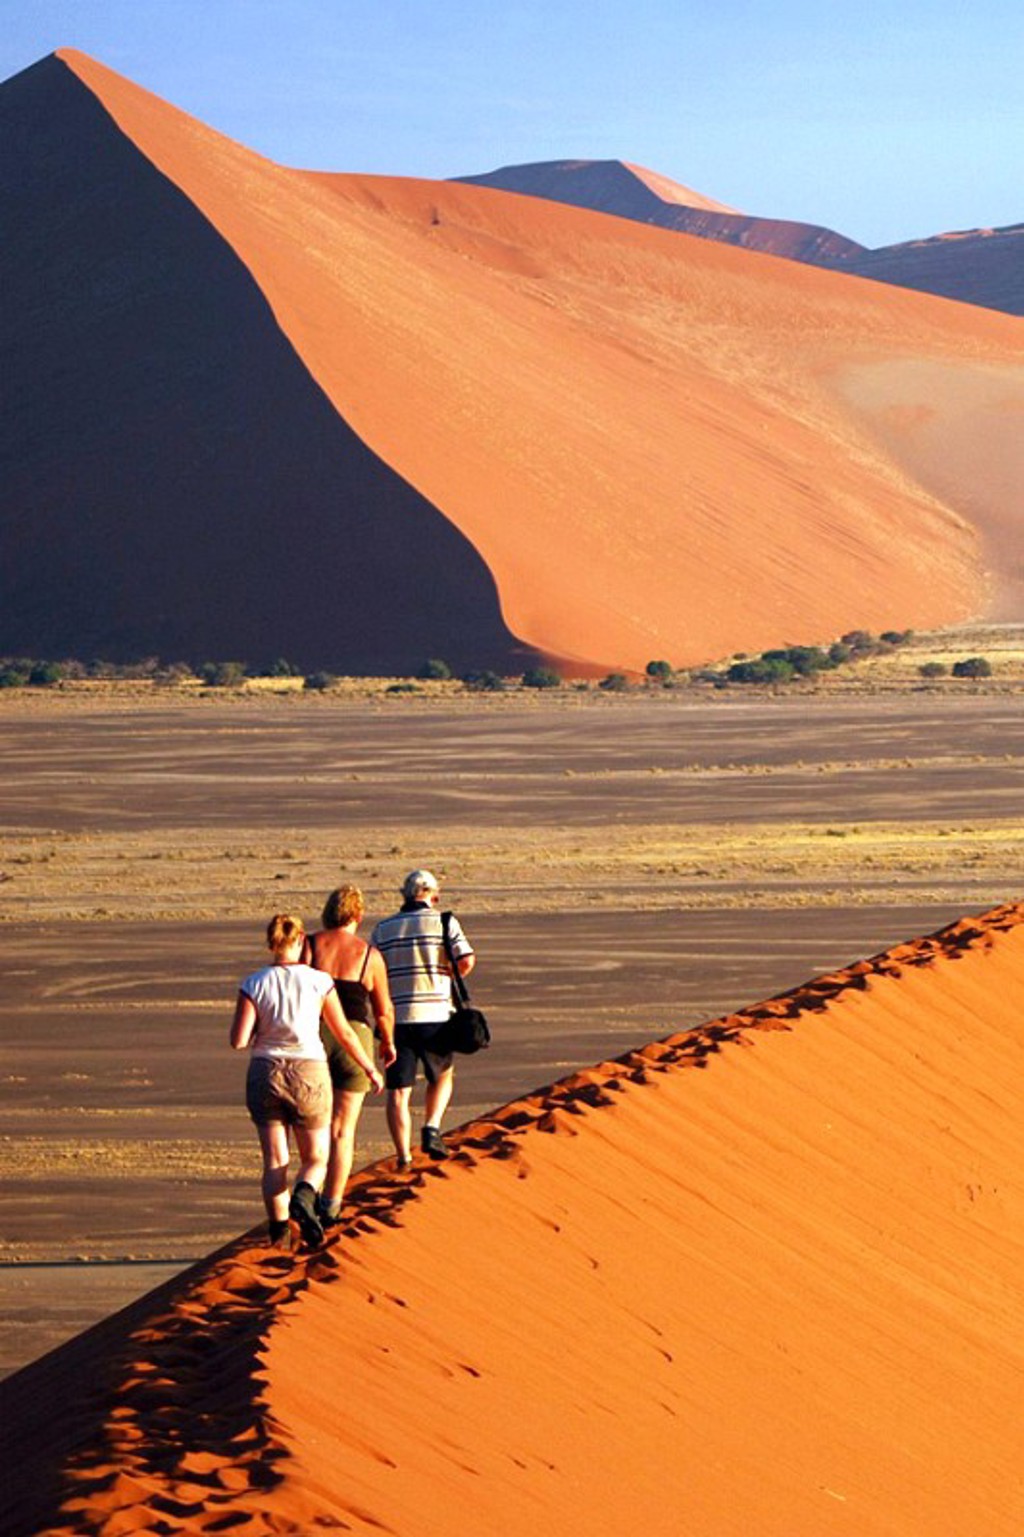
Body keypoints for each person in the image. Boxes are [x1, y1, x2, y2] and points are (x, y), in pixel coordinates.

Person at [230, 912, 384, 1247]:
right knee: (316, 1158)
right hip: (309, 1073)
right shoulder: (318, 981)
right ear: (300, 940)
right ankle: (304, 1193)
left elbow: (239, 1040)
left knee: (274, 1161)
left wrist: (265, 1030)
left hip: (264, 1072)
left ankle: (279, 1233)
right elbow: (344, 1032)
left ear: (272, 944)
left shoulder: (253, 983)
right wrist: (369, 1068)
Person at [303, 885, 396, 1226]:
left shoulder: (310, 946)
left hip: (314, 1035)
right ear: (358, 916)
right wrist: (387, 1043)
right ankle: (331, 1206)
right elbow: (383, 1010)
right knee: (343, 1131)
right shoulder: (369, 956)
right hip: (354, 1040)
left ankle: (306, 1188)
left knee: (312, 1124)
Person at [372, 869, 475, 1166]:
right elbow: (466, 959)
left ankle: (403, 1155)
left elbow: (373, 971)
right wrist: (447, 976)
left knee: (398, 1092)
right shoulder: (444, 921)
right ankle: (431, 1127)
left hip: (396, 1017)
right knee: (442, 1075)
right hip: (436, 1014)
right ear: (434, 894)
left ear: (404, 895)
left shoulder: (383, 929)